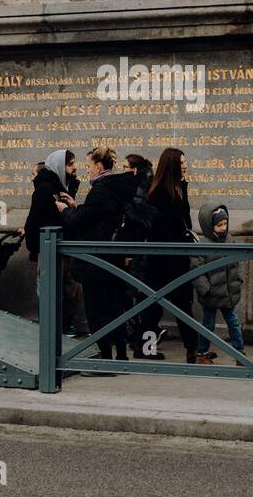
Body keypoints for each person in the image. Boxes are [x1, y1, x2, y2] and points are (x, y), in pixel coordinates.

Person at [57, 147, 138, 370]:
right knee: (114, 307)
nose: (87, 171)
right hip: (113, 257)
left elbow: (79, 222)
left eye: (88, 166)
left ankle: (104, 359)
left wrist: (65, 210)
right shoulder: (116, 187)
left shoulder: (100, 189)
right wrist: (77, 207)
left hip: (96, 260)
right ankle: (121, 355)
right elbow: (97, 215)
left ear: (99, 167)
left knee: (96, 310)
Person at [145, 147, 199, 362]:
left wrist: (184, 187)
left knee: (178, 304)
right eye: (182, 162)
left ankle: (192, 350)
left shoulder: (175, 189)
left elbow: (185, 220)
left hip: (173, 257)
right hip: (164, 259)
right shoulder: (159, 193)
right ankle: (148, 347)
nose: (185, 165)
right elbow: (173, 223)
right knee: (157, 304)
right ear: (172, 166)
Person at [25, 149, 86, 335]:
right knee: (50, 288)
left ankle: (64, 325)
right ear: (60, 166)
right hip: (50, 247)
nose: (75, 167)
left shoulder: (63, 187)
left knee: (70, 289)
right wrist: (36, 249)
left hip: (64, 246)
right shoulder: (46, 190)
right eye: (70, 164)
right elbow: (34, 222)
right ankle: (52, 328)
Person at [119, 153, 162, 358]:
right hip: (144, 251)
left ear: (134, 170)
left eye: (126, 167)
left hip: (140, 252)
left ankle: (142, 345)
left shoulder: (138, 191)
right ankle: (145, 346)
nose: (123, 170)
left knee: (143, 301)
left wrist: (128, 251)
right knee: (146, 301)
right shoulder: (148, 186)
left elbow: (135, 227)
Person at [192, 202, 244, 366]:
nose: (223, 227)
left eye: (225, 224)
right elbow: (197, 269)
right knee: (208, 324)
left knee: (234, 323)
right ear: (209, 225)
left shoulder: (230, 240)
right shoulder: (203, 244)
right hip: (212, 293)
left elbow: (236, 263)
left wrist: (237, 280)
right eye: (219, 225)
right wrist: (205, 289)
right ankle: (201, 353)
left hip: (228, 292)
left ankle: (239, 353)